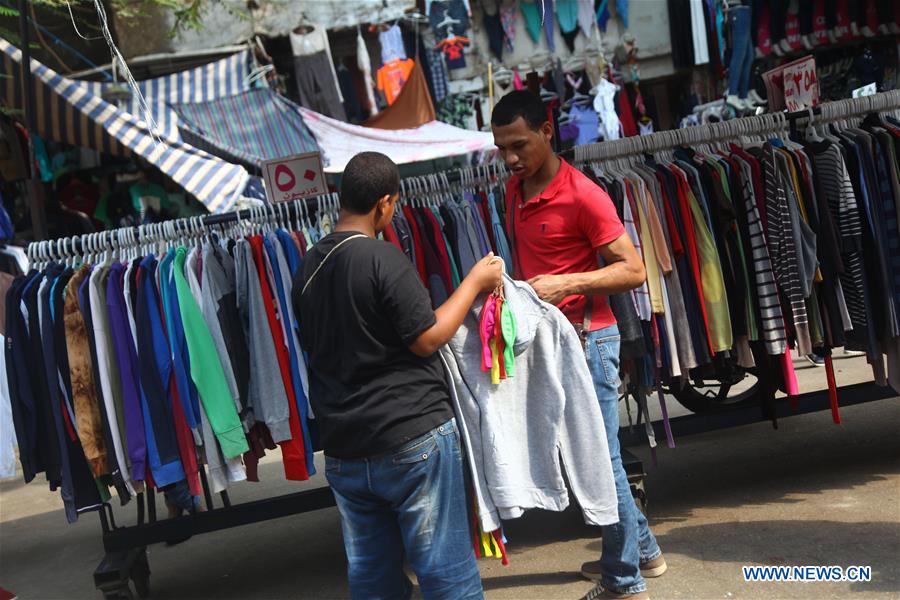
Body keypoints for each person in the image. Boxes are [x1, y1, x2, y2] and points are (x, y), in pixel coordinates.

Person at [292, 151, 502, 600]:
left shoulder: (307, 267)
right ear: (384, 203)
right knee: (445, 571)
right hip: (410, 434)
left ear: (341, 196)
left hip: (346, 447)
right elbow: (426, 338)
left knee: (373, 578)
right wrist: (474, 283)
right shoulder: (382, 258)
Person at [491, 90, 665, 600]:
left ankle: (623, 580)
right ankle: (644, 552)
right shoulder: (513, 190)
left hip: (589, 342)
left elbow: (633, 270)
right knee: (591, 458)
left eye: (519, 145)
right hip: (548, 343)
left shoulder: (584, 195)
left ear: (547, 131)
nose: (510, 158)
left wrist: (566, 283)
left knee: (599, 461)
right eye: (502, 148)